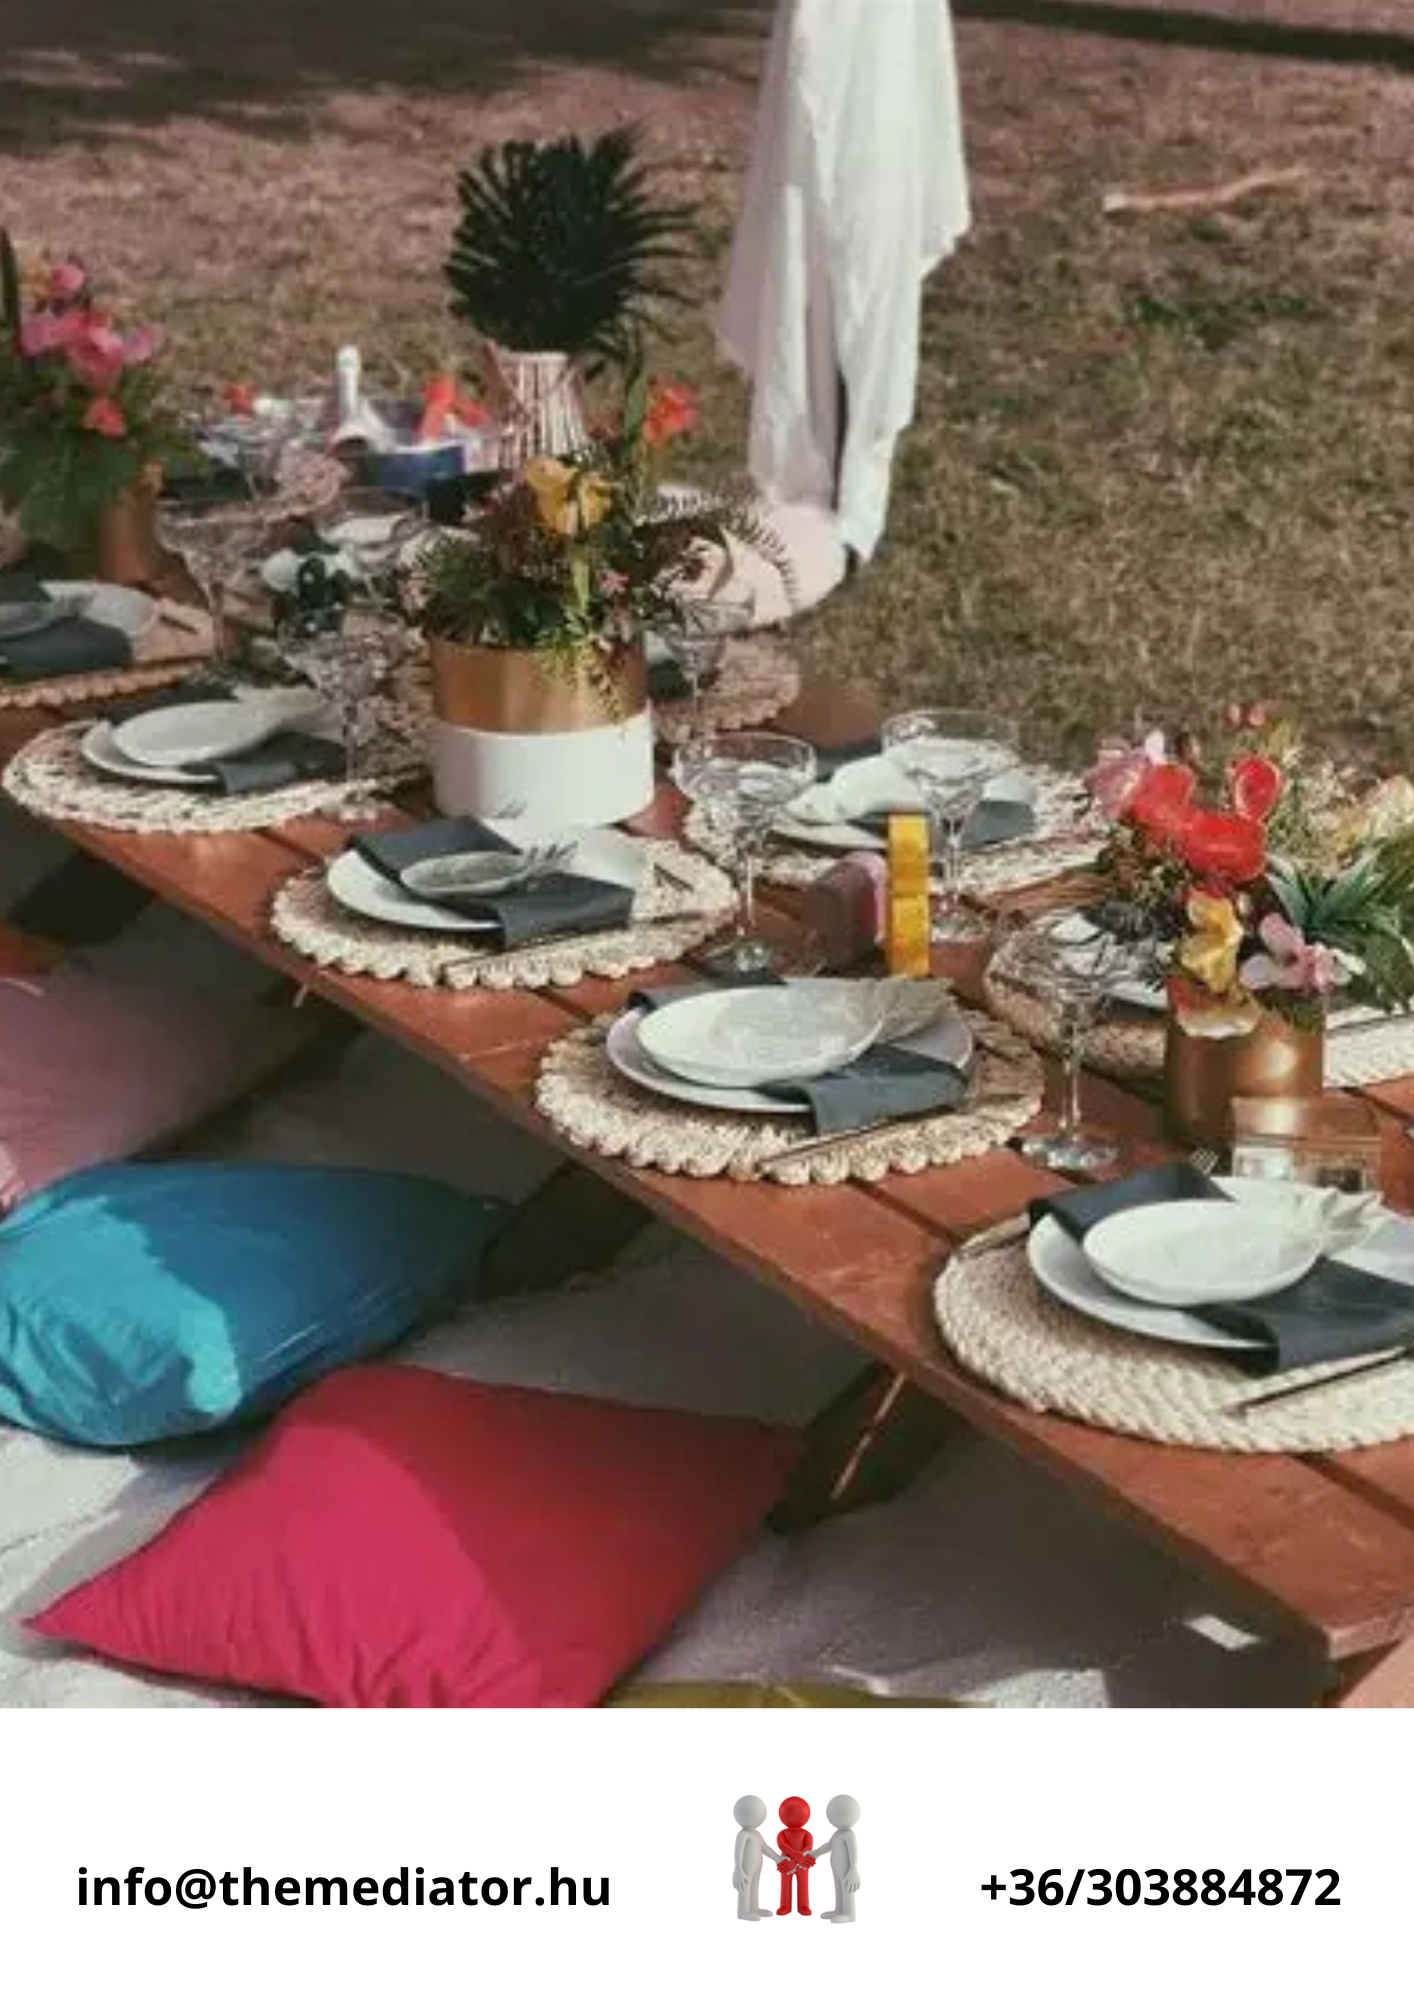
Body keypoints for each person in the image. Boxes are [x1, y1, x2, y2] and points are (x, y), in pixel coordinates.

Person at [802, 1794, 861, 1923]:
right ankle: (839, 1910)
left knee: (847, 1888)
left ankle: (849, 1914)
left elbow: (853, 1852)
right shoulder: (837, 1834)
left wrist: (853, 1869)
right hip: (836, 1867)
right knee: (838, 1887)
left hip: (846, 1868)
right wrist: (817, 1853)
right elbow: (829, 1845)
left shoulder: (849, 1834)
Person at [732, 1796, 780, 1921]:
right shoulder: (743, 1834)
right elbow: (738, 1851)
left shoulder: (756, 1834)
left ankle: (753, 1908)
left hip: (757, 1866)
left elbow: (764, 1847)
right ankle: (743, 1911)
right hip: (746, 1867)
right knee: (745, 1886)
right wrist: (738, 1868)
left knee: (754, 1886)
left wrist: (776, 1857)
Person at [775, 1796, 815, 1915]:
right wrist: (795, 1856)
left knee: (803, 1884)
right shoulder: (782, 1833)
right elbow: (782, 1845)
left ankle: (804, 1905)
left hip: (801, 1864)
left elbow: (808, 1847)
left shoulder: (806, 1834)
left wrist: (796, 1858)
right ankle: (785, 1905)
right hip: (787, 1863)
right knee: (785, 1885)